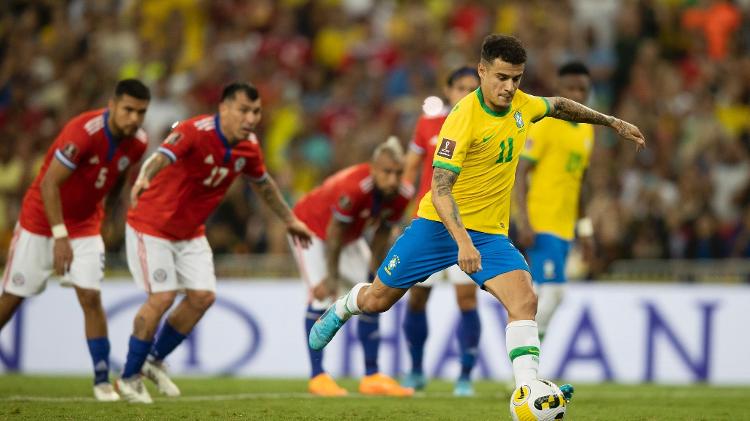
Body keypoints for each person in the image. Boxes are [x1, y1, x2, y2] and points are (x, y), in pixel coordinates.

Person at [308, 34, 645, 405]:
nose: (509, 86)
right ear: (482, 71)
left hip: (490, 234)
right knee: (378, 300)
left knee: (525, 300)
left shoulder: (522, 105)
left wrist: (612, 122)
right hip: (437, 227)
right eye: (502, 77)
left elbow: (561, 105)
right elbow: (440, 190)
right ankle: (343, 307)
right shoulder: (462, 118)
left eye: (516, 78)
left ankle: (528, 389)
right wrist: (462, 242)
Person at [116, 82, 313, 404]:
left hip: (191, 232)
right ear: (223, 108)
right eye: (243, 110)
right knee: (162, 297)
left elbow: (264, 185)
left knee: (202, 297)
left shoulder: (249, 146)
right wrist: (143, 177)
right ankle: (128, 377)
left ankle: (154, 361)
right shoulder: (195, 130)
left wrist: (290, 220)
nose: (250, 118)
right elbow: (161, 156)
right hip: (152, 225)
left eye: (256, 111)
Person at [0, 79, 151, 401]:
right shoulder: (83, 132)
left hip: (85, 226)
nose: (134, 118)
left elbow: (118, 178)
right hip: (41, 223)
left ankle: (100, 380)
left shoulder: (137, 142)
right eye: (128, 110)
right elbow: (49, 185)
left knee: (90, 297)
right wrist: (59, 237)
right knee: (12, 299)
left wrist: (108, 218)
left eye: (141, 112)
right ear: (112, 105)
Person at [291, 136, 414, 397]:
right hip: (310, 229)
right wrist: (332, 277)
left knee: (373, 294)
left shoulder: (402, 193)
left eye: (398, 173)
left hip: (349, 237)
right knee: (321, 295)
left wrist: (375, 272)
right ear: (373, 168)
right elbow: (334, 231)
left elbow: (383, 232)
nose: (393, 179)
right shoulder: (355, 187)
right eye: (387, 172)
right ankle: (318, 376)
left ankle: (371, 376)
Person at [400, 66, 482, 396]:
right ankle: (417, 370)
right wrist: (403, 209)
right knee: (417, 297)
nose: (465, 92)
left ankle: (464, 376)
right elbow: (410, 169)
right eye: (460, 87)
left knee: (466, 298)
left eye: (471, 87)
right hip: (430, 222)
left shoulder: (483, 121)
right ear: (448, 91)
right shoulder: (428, 123)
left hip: (467, 222)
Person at [514, 61, 595, 342]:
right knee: (554, 292)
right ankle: (523, 366)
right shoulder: (545, 125)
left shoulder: (586, 129)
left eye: (582, 89)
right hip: (541, 222)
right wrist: (523, 221)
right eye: (570, 88)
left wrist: (585, 231)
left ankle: (529, 366)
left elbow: (581, 184)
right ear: (558, 90)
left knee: (547, 297)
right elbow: (520, 173)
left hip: (566, 227)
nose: (577, 94)